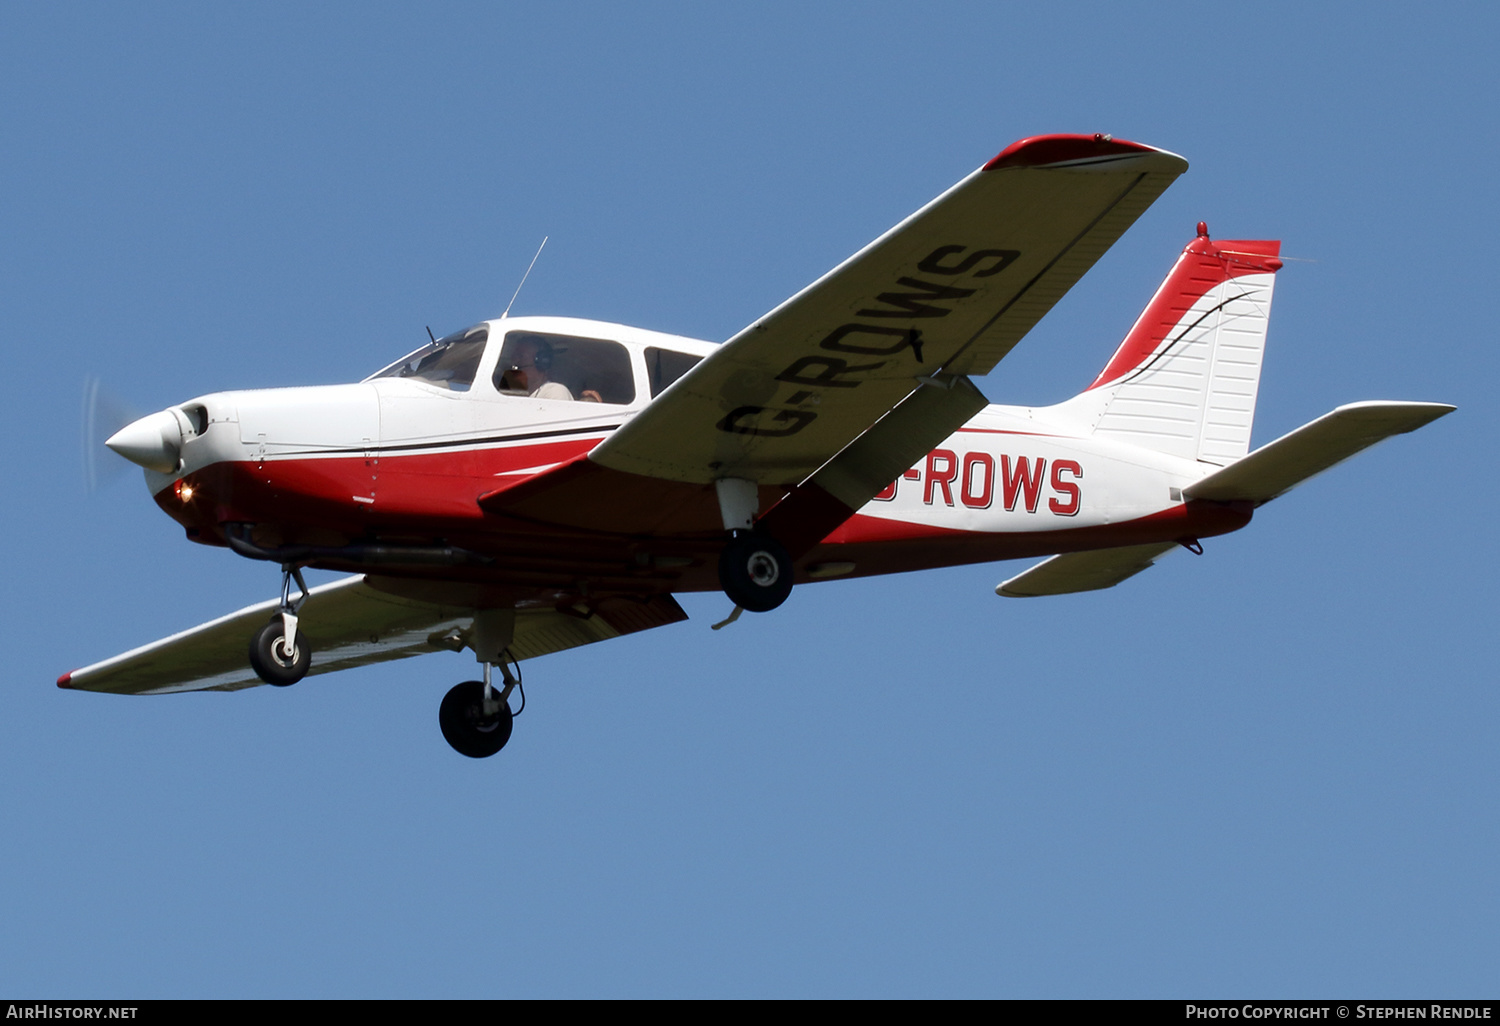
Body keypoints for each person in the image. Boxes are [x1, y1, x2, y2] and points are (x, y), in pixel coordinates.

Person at [500, 337, 573, 400]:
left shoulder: (555, 391)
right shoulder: (522, 395)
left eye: (521, 356)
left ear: (542, 362)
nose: (515, 361)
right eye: (514, 356)